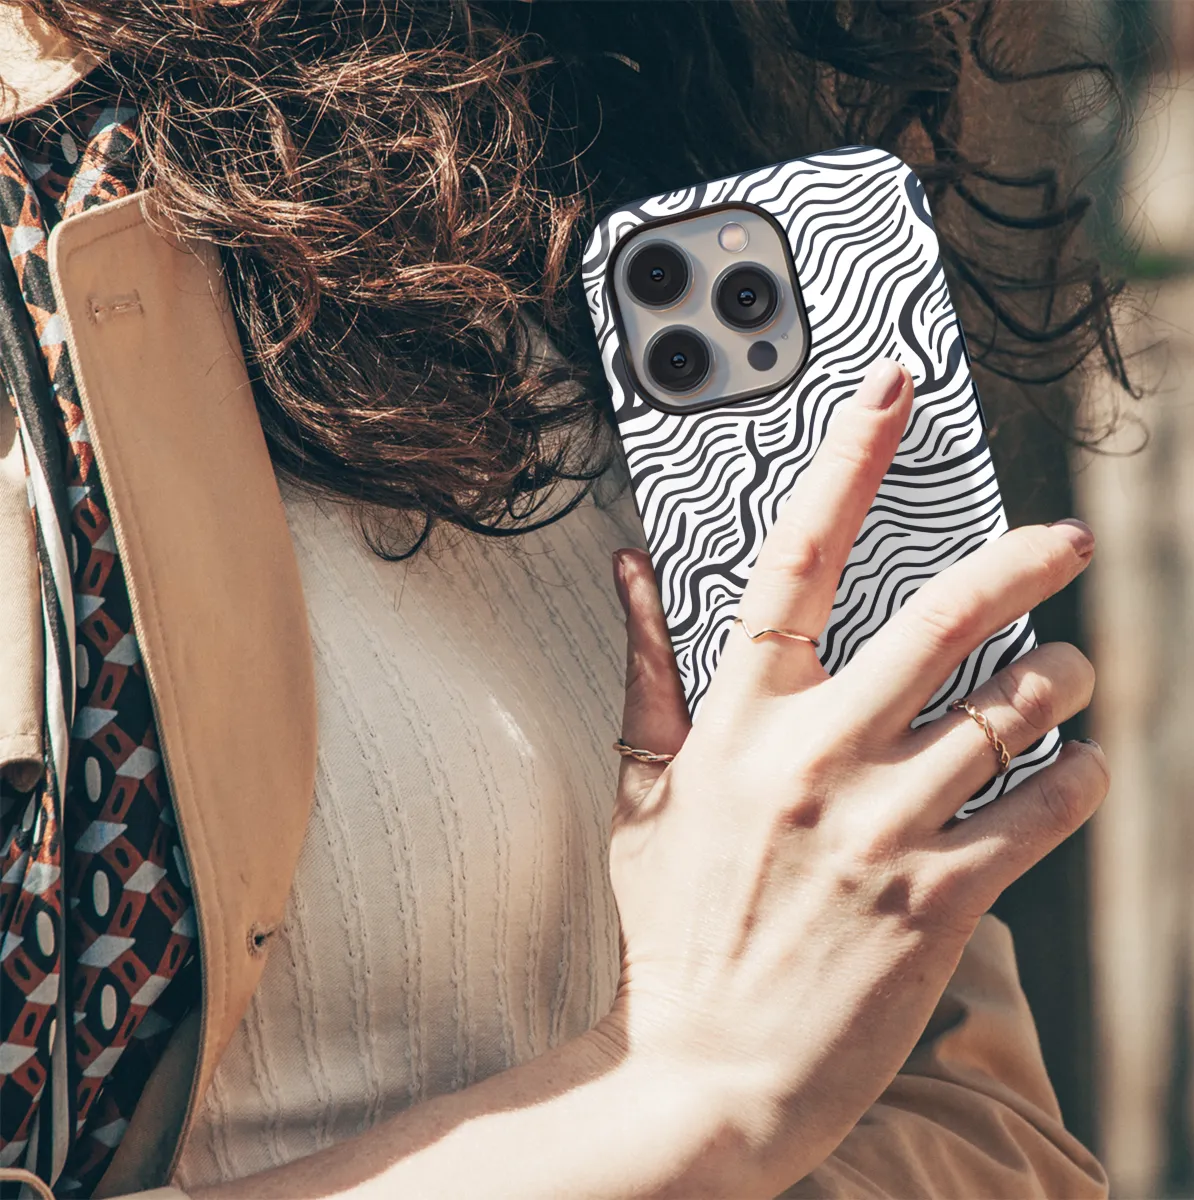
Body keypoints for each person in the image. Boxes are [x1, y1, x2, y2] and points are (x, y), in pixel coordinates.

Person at [0, 3, 1123, 1197]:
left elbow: (987, 1136)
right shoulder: (44, 254)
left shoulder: (617, 158)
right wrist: (685, 1091)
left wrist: (735, 1094)